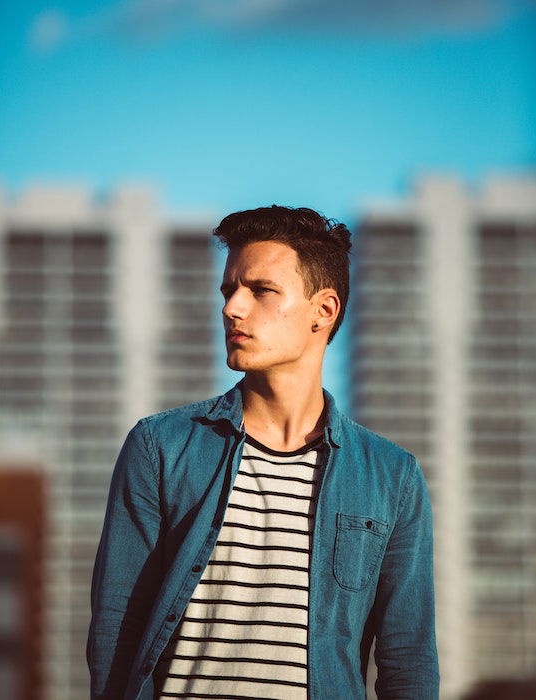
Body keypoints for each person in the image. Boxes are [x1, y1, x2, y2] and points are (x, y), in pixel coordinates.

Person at [87, 205, 439, 699]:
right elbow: (116, 625)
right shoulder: (159, 446)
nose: (232, 307)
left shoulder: (391, 476)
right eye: (229, 289)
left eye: (261, 290)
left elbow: (408, 659)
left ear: (324, 310)